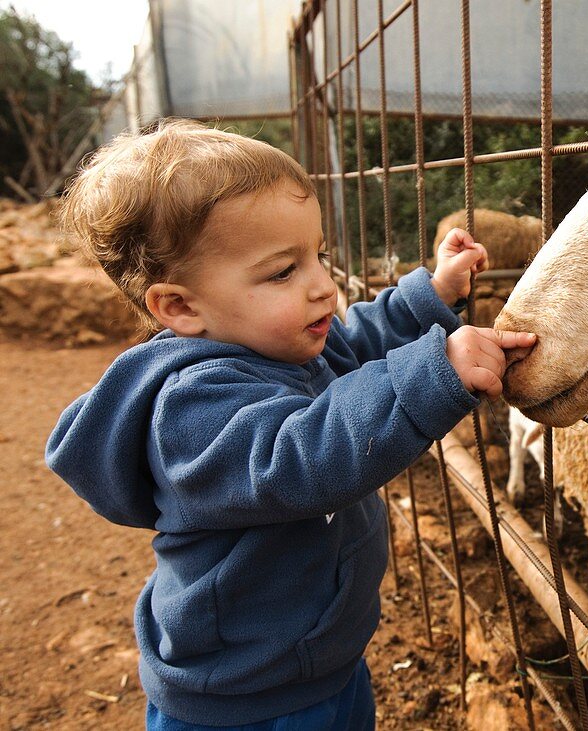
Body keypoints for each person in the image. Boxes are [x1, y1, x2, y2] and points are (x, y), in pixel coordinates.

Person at [45, 119, 536, 730]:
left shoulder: (274, 345)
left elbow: (352, 344)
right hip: (243, 699)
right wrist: (433, 373)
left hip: (321, 662)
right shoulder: (191, 407)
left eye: (319, 257)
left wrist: (426, 297)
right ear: (180, 306)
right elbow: (300, 456)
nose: (324, 288)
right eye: (283, 272)